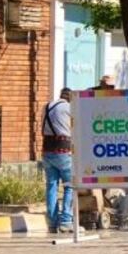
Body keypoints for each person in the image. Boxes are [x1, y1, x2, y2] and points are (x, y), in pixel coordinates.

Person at [43, 88, 75, 233]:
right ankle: (66, 221)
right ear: (70, 98)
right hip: (64, 151)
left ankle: (52, 222)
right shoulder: (69, 107)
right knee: (70, 185)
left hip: (47, 151)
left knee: (51, 186)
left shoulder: (47, 106)